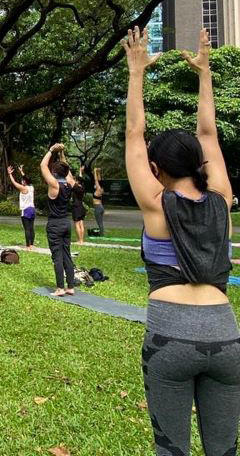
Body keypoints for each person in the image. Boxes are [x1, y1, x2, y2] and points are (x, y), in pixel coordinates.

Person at [124, 26, 240, 456]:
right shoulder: (222, 199)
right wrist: (204, 73)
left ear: (156, 169)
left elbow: (134, 137)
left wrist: (136, 73)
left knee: (171, 450)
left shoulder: (157, 204)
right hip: (227, 337)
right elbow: (208, 135)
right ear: (199, 164)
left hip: (170, 338)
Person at [40, 144, 76, 297]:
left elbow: (43, 165)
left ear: (54, 172)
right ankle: (70, 287)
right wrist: (61, 153)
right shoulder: (70, 183)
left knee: (57, 256)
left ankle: (60, 288)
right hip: (66, 223)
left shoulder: (54, 185)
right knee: (66, 254)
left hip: (55, 224)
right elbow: (66, 170)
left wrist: (51, 150)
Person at [7, 165, 35, 249]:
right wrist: (21, 171)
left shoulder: (23, 188)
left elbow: (14, 183)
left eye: (22, 180)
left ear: (24, 182)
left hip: (26, 210)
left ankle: (27, 246)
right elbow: (26, 178)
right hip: (32, 209)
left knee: (26, 228)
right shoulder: (31, 187)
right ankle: (32, 244)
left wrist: (10, 174)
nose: (21, 181)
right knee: (31, 228)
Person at [71, 180, 87, 244]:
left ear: (77, 182)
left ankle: (79, 240)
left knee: (77, 224)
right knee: (81, 223)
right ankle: (82, 240)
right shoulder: (82, 188)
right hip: (81, 206)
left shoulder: (76, 188)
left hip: (76, 207)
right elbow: (80, 179)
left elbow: (72, 182)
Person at [92, 167, 105, 236]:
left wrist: (94, 172)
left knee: (99, 222)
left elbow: (96, 180)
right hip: (100, 207)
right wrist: (98, 172)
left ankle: (101, 234)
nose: (95, 185)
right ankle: (101, 233)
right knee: (100, 222)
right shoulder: (101, 189)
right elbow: (99, 180)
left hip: (98, 207)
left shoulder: (98, 189)